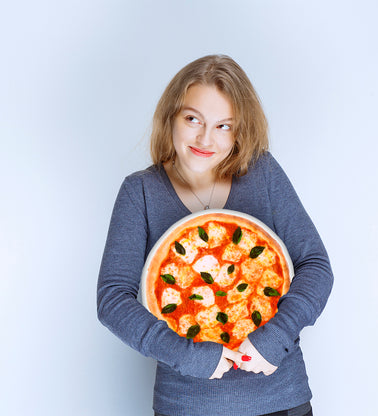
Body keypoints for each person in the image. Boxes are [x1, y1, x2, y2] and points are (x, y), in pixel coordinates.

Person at [97, 54, 333, 416]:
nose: (206, 138)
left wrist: (276, 338)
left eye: (224, 125)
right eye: (193, 119)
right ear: (171, 117)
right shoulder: (140, 192)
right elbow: (113, 300)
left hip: (281, 400)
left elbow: (315, 266)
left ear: (241, 130)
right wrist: (188, 356)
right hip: (187, 405)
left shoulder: (262, 172)